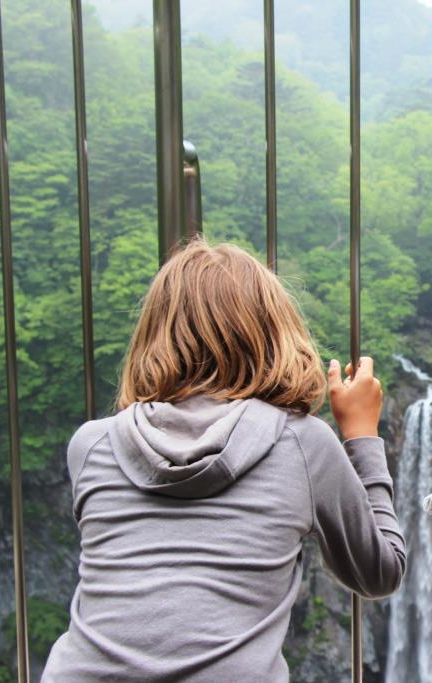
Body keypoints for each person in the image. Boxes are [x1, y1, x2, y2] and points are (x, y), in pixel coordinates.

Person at [43, 238, 405, 682]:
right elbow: (380, 574)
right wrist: (363, 435)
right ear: (273, 333)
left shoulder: (91, 444)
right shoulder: (303, 444)